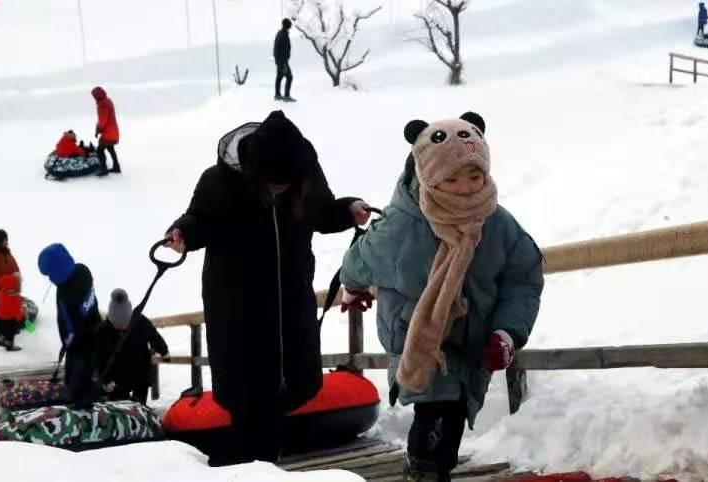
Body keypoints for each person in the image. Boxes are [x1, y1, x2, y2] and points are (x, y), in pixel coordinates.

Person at [340, 112, 544, 481]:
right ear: (428, 175)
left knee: (447, 426)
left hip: (472, 340)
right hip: (418, 337)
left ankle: (428, 468)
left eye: (474, 175)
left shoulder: (497, 223)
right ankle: (423, 472)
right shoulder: (401, 226)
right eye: (451, 178)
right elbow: (359, 261)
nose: (466, 188)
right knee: (439, 414)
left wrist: (507, 333)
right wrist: (352, 289)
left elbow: (523, 279)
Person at [165, 110, 370, 466]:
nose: (280, 188)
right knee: (249, 401)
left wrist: (347, 209)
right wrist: (183, 232)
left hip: (290, 305)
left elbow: (320, 213)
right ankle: (255, 465)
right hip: (239, 309)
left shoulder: (303, 172)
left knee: (289, 391)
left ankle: (266, 462)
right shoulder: (218, 182)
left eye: (286, 182)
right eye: (273, 182)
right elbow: (199, 219)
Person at [38, 243, 102, 408]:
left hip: (78, 341)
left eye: (50, 274)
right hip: (95, 327)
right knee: (88, 368)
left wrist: (68, 342)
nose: (49, 278)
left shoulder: (65, 294)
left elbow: (67, 322)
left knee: (77, 381)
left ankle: (78, 407)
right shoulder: (83, 270)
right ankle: (82, 394)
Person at [95, 288, 170, 405]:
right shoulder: (103, 331)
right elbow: (99, 357)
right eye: (116, 324)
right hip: (117, 378)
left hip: (140, 372)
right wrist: (106, 380)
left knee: (139, 406)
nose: (121, 327)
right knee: (119, 408)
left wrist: (164, 351)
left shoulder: (140, 321)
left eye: (124, 323)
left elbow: (154, 336)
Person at [92, 86, 121, 176]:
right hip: (114, 131)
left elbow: (102, 121)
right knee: (110, 148)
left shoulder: (102, 105)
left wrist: (98, 130)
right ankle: (116, 167)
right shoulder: (108, 100)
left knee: (99, 150)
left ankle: (103, 169)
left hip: (108, 133)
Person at [0, 229, 20, 304]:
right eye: (4, 240)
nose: (6, 242)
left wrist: (17, 279)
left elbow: (15, 267)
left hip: (9, 287)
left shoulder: (6, 252)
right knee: (1, 309)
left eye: (6, 240)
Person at [0, 273, 24, 352]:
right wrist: (22, 316)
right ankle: (9, 345)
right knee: (10, 332)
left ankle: (1, 339)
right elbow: (16, 310)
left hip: (0, 317)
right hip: (10, 318)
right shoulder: (15, 297)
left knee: (2, 329)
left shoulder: (2, 293)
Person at [273, 18, 295, 102]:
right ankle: (286, 96)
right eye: (290, 25)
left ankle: (277, 95)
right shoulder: (283, 35)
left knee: (279, 77)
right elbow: (282, 50)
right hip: (283, 62)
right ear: (288, 26)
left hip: (279, 61)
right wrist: (283, 63)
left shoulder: (280, 33)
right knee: (289, 77)